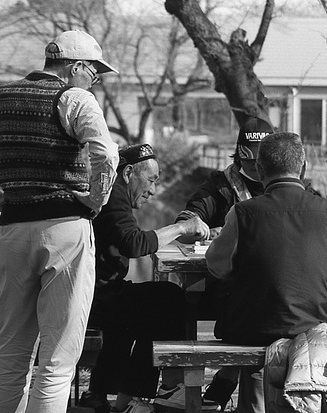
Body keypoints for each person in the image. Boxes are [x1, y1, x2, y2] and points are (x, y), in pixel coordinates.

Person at [0, 30, 120, 412]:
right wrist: (95, 200)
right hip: (66, 228)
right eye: (96, 71)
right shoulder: (75, 99)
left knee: (9, 348)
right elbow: (108, 156)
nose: (96, 79)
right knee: (57, 357)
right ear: (76, 67)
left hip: (13, 227)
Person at [205, 132, 327, 413]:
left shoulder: (242, 212)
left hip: (252, 328)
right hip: (313, 327)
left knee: (248, 331)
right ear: (303, 168)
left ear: (261, 170)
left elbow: (217, 266)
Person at [79, 144, 216, 413]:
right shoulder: (113, 197)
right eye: (151, 180)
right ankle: (162, 390)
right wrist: (181, 227)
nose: (153, 190)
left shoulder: (111, 192)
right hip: (92, 296)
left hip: (96, 291)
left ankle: (117, 395)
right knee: (169, 298)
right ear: (128, 172)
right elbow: (134, 243)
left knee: (153, 302)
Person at [174, 116, 274, 409]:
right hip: (229, 291)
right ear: (239, 154)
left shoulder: (289, 185)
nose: (256, 168)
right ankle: (227, 381)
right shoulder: (220, 186)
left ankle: (226, 378)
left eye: (261, 162)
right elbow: (186, 220)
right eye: (250, 161)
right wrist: (202, 228)